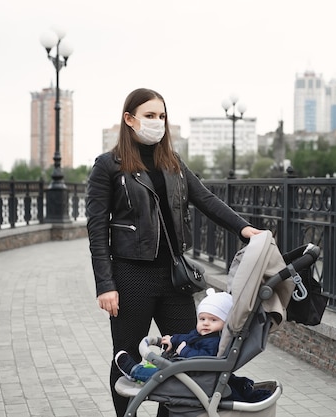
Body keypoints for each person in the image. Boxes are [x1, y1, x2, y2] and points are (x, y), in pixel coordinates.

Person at [86, 87, 262, 417]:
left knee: (187, 357)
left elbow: (206, 200)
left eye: (162, 116)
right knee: (126, 357)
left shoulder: (173, 163)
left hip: (174, 278)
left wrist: (244, 228)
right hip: (130, 276)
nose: (157, 122)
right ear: (130, 119)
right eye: (149, 116)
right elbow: (97, 230)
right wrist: (105, 285)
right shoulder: (109, 166)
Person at [114, 288, 233, 383]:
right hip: (184, 369)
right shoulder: (201, 334)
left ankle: (134, 372)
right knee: (162, 368)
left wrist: (184, 350)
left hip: (192, 376)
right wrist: (173, 340)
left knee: (160, 375)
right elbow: (187, 337)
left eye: (213, 320)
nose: (206, 323)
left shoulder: (214, 342)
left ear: (224, 322)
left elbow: (203, 359)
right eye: (202, 319)